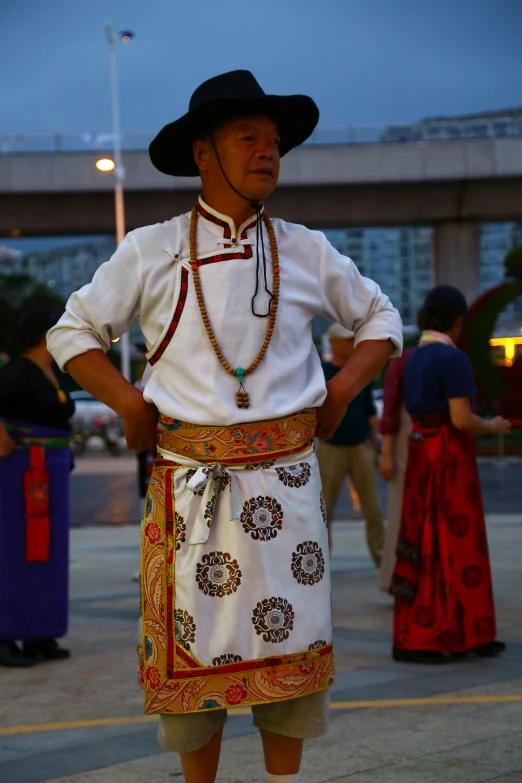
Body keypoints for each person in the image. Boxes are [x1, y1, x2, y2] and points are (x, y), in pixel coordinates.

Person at [48, 70, 402, 783]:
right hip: (191, 496)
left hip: (290, 489)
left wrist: (343, 385)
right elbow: (73, 331)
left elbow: (381, 318)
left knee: (293, 678)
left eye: (274, 141)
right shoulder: (152, 248)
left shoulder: (306, 248)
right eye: (248, 138)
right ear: (203, 154)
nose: (267, 151)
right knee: (193, 678)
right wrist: (126, 401)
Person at [390, 285, 509, 664]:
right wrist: (493, 426)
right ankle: (463, 634)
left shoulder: (408, 359)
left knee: (421, 539)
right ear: (459, 321)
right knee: (457, 543)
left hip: (420, 452)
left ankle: (413, 632)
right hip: (449, 456)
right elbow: (461, 419)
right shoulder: (453, 359)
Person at [0, 306, 74, 667]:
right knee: (17, 551)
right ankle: (5, 635)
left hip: (51, 471)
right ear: (48, 332)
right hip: (21, 472)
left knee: (48, 553)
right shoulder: (17, 370)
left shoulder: (51, 371)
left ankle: (38, 634)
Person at [317, 324, 384, 565]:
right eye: (347, 339)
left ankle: (383, 562)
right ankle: (320, 564)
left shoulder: (360, 374)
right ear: (334, 342)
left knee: (374, 510)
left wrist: (375, 449)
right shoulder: (321, 373)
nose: (352, 343)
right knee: (323, 513)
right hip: (330, 448)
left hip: (360, 447)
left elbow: (371, 414)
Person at [377, 347, 413, 591]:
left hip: (417, 441)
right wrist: (387, 454)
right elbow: (388, 412)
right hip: (407, 442)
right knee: (399, 510)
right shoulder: (404, 361)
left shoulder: (404, 360)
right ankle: (395, 576)